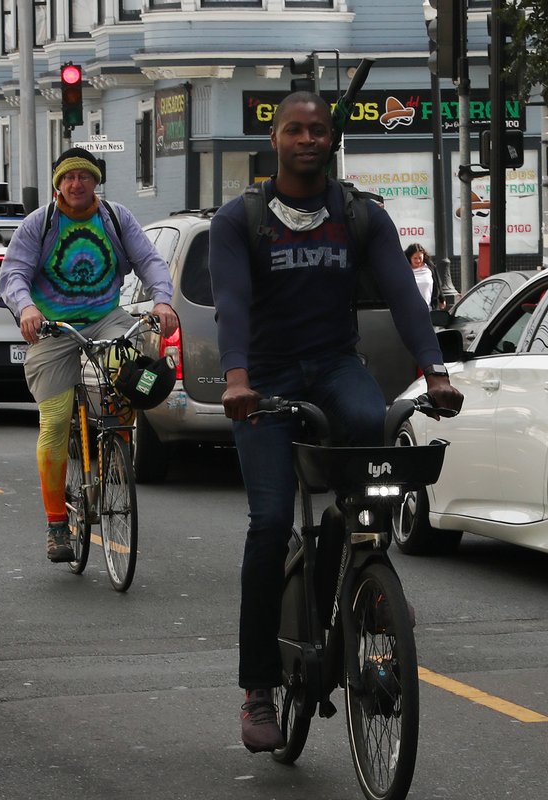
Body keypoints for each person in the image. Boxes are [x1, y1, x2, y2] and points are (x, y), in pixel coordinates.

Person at [207, 91, 464, 753]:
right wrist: (236, 378)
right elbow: (232, 303)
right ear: (275, 139)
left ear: (332, 139)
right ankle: (258, 689)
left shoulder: (360, 215)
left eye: (318, 130)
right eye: (295, 129)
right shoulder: (241, 220)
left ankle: (366, 566)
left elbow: (404, 296)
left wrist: (435, 371)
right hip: (264, 377)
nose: (307, 139)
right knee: (268, 524)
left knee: (374, 432)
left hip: (334, 364)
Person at [0, 146, 178, 563]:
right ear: (58, 184)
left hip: (106, 318)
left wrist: (163, 301)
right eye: (68, 177)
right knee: (55, 420)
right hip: (53, 326)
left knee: (132, 376)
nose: (76, 184)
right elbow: (14, 273)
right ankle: (57, 523)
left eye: (84, 176)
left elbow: (149, 260)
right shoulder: (40, 223)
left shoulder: (115, 217)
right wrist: (26, 309)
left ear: (96, 181)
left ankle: (115, 442)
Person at [405, 242, 436, 309]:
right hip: (409, 308)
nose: (418, 260)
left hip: (428, 307)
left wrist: (441, 298)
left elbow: (437, 283)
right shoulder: (405, 270)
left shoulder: (429, 267)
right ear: (410, 257)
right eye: (415, 258)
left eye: (420, 258)